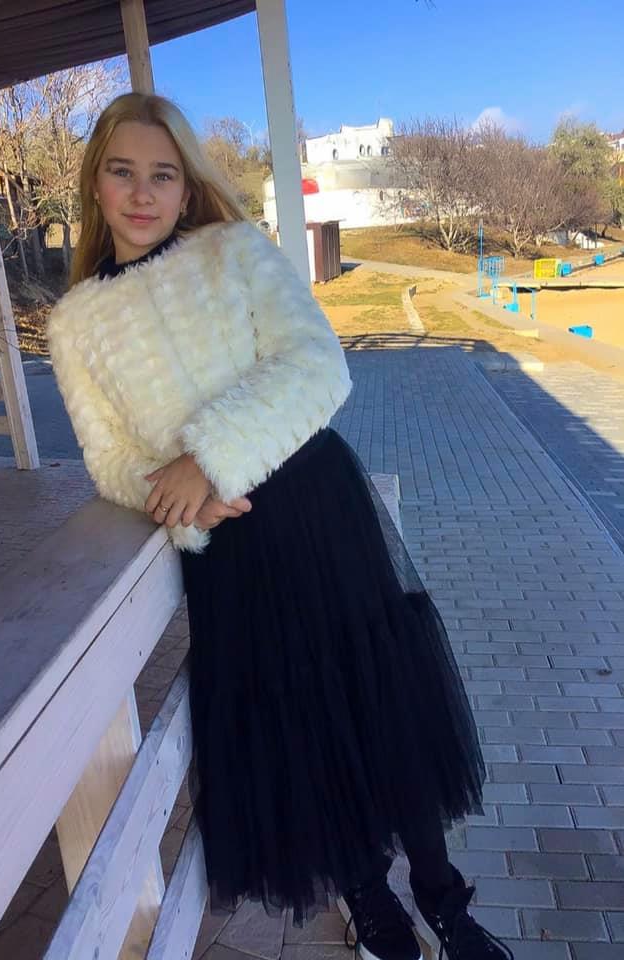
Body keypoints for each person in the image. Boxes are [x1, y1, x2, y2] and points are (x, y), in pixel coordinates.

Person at [46, 92, 513, 960]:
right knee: (303, 729)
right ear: (95, 185)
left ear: (187, 187)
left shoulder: (235, 252)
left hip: (317, 512)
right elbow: (109, 458)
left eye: (162, 175)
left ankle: (442, 896)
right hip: (228, 554)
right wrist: (178, 497)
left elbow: (318, 366)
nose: (142, 194)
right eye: (122, 172)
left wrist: (212, 458)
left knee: (379, 701)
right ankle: (370, 901)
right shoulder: (74, 327)